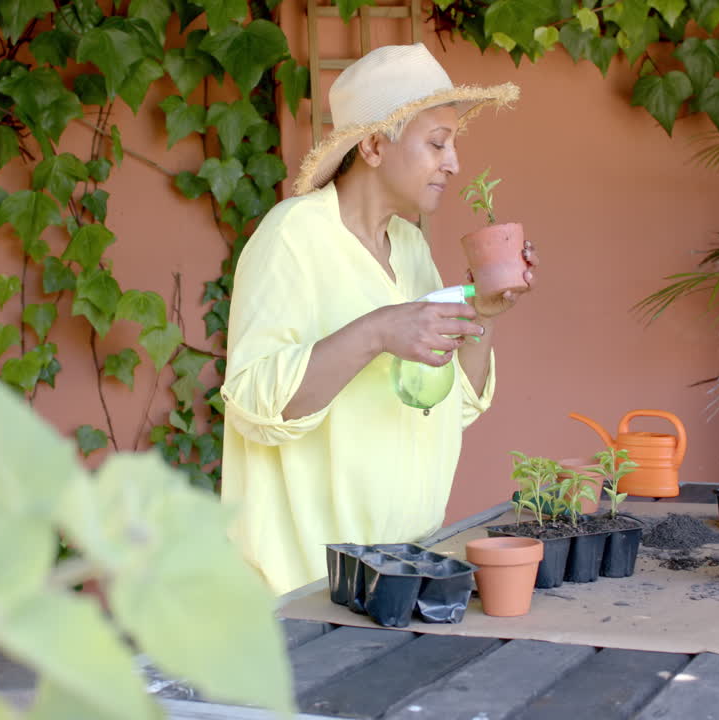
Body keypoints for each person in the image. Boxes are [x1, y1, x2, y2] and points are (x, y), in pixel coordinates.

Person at [219, 43, 535, 594]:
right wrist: (378, 331)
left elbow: (447, 405)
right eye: (437, 142)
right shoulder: (293, 237)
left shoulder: (410, 248)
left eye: (453, 144)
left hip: (404, 569)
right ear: (372, 146)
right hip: (307, 590)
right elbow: (255, 403)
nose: (453, 163)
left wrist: (483, 315)